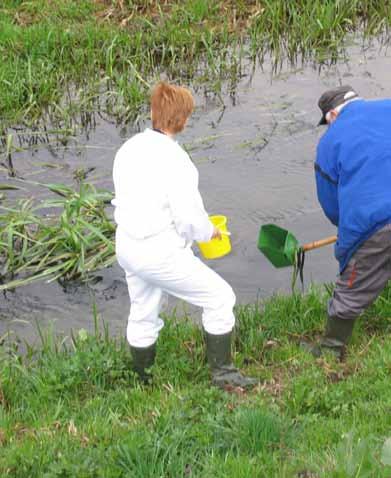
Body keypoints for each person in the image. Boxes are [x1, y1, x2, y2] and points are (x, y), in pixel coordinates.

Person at [112, 81, 257, 389]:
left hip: (127, 245)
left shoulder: (128, 148)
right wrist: (210, 232)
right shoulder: (178, 161)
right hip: (158, 252)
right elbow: (190, 219)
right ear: (184, 120)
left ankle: (142, 380)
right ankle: (223, 375)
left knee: (143, 310)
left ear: (152, 111)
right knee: (220, 298)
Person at [304, 85, 391, 359]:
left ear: (331, 114)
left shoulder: (330, 141)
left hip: (374, 221)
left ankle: (332, 349)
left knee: (352, 287)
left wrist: (350, 232)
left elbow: (332, 205)